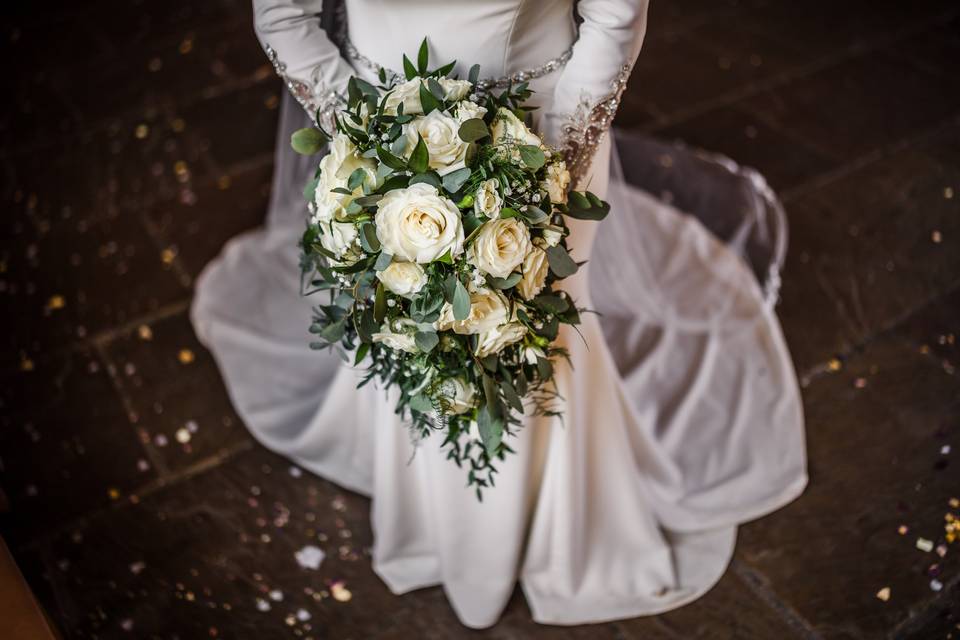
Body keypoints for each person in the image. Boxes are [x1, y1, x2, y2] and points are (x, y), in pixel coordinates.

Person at [191, 0, 807, 629]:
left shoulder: (548, 164)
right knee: (401, 321)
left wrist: (550, 176)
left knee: (530, 333)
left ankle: (537, 517)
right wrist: (371, 149)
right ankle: (420, 501)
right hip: (372, 134)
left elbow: (615, 18)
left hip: (541, 137)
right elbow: (283, 16)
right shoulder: (370, 151)